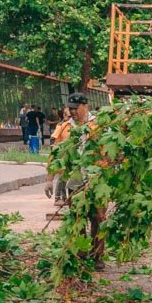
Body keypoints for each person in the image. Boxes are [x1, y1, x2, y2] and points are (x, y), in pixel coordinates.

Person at [61, 93, 106, 264]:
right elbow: (56, 154)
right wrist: (50, 179)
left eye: (75, 108)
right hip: (75, 182)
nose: (72, 112)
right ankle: (81, 254)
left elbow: (110, 150)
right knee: (77, 219)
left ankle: (97, 256)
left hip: (97, 181)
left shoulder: (100, 125)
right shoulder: (65, 128)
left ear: (85, 106)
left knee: (98, 218)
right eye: (70, 108)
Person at [46, 106, 74, 204]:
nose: (70, 117)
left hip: (74, 158)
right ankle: (59, 197)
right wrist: (49, 179)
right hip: (64, 156)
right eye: (67, 115)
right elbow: (54, 145)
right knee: (63, 177)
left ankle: (67, 198)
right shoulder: (62, 126)